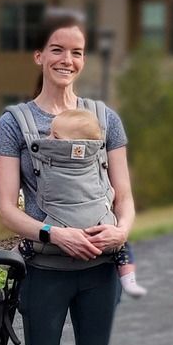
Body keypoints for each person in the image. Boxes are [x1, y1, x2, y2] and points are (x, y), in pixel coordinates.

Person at [0, 9, 135, 345]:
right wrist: (55, 233)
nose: (66, 60)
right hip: (47, 271)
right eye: (57, 49)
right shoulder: (15, 122)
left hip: (99, 270)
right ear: (39, 55)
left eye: (76, 51)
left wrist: (121, 229)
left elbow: (124, 196)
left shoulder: (104, 117)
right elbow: (7, 208)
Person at [49, 106, 146, 296]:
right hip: (89, 229)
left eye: (55, 136)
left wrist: (122, 230)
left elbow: (119, 193)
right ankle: (129, 279)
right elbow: (108, 190)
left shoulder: (54, 165)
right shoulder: (88, 165)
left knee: (121, 243)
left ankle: (129, 280)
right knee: (122, 249)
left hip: (75, 228)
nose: (48, 139)